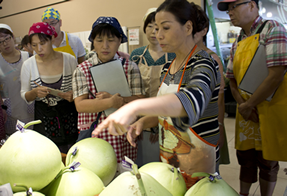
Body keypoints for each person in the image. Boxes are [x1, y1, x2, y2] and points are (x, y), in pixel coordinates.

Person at [92, 0, 220, 189]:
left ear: (188, 27)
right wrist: (142, 122)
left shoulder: (203, 63)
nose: (158, 35)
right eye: (156, 28)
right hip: (170, 156)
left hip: (199, 159)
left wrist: (134, 106)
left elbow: (190, 102)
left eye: (165, 28)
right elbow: (165, 111)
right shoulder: (169, 67)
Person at [217, 0, 287, 195]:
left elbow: (277, 74)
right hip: (246, 111)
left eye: (234, 6)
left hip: (268, 108)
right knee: (245, 158)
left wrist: (250, 104)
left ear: (252, 5)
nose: (230, 12)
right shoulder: (238, 40)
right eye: (228, 9)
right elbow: (231, 80)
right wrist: (243, 105)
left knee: (268, 159)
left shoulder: (272, 29)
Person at [72, 16, 145, 173]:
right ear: (93, 43)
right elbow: (80, 105)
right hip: (94, 136)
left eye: (111, 40)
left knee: (125, 180)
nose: (105, 46)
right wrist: (111, 102)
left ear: (120, 41)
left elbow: (140, 100)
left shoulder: (130, 67)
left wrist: (119, 100)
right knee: (97, 176)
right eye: (99, 40)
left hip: (122, 137)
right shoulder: (82, 69)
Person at [20, 22, 79, 153]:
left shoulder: (69, 60)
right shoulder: (28, 65)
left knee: (72, 152)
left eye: (43, 43)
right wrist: (34, 93)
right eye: (34, 45)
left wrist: (73, 94)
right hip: (44, 118)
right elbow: (24, 95)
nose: (38, 49)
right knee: (48, 153)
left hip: (69, 116)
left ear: (52, 39)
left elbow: (80, 88)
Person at [129, 8, 176, 166]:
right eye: (149, 26)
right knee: (144, 163)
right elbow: (131, 90)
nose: (154, 31)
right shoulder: (136, 55)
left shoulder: (174, 55)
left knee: (165, 164)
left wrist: (157, 124)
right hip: (140, 121)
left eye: (158, 27)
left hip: (167, 120)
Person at [192, 3, 230, 171]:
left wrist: (220, 125)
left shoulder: (211, 58)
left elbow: (219, 98)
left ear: (204, 30)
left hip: (207, 127)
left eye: (193, 27)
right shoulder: (176, 58)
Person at [0, 24, 34, 136]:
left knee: (33, 139)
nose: (5, 44)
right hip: (9, 110)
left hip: (31, 107)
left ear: (13, 37)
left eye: (7, 39)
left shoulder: (28, 56)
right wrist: (1, 108)